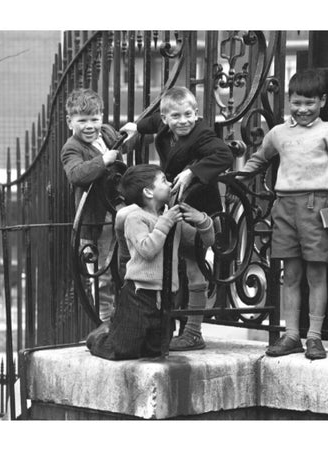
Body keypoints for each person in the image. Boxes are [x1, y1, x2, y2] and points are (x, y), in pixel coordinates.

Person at [239, 69, 328, 360]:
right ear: (289, 102)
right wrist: (238, 177)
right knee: (289, 274)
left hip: (318, 206)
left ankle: (314, 337)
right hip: (284, 207)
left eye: (309, 103)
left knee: (316, 272)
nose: (303, 109)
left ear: (322, 101)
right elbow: (258, 159)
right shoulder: (278, 133)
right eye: (297, 102)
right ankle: (291, 335)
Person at [120, 87, 233, 351]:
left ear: (196, 113)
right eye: (176, 116)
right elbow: (149, 123)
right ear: (165, 117)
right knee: (172, 265)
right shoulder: (163, 123)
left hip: (200, 208)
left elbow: (225, 155)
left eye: (188, 115)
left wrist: (193, 171)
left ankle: (193, 332)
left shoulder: (201, 133)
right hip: (174, 205)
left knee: (194, 267)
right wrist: (136, 127)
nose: (183, 121)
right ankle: (163, 322)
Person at [85, 164, 215, 360]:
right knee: (122, 350)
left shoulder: (171, 219)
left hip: (165, 298)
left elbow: (206, 243)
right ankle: (99, 337)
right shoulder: (135, 218)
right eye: (163, 181)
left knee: (155, 349)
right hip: (139, 295)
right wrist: (166, 222)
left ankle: (117, 331)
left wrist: (201, 220)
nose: (170, 184)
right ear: (147, 191)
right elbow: (147, 249)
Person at [61, 88, 124, 325]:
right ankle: (105, 323)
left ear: (102, 118)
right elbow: (76, 174)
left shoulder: (106, 133)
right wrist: (103, 160)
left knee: (121, 266)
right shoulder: (72, 148)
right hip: (94, 221)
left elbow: (122, 146)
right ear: (70, 122)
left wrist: (133, 133)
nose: (90, 126)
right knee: (101, 274)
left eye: (94, 119)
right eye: (82, 120)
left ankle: (122, 318)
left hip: (117, 212)